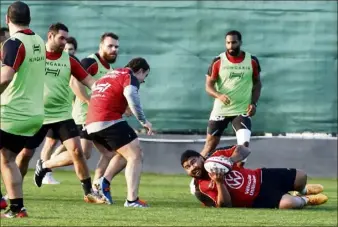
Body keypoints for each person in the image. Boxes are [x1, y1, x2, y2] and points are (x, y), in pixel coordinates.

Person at [14, 22, 105, 204]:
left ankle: (88, 192)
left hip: (62, 115)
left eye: (66, 38)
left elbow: (88, 80)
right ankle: (14, 190)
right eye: (61, 38)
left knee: (78, 152)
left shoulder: (69, 60)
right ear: (50, 36)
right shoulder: (34, 56)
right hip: (36, 113)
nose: (65, 42)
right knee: (24, 155)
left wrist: (103, 89)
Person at [86, 57, 153, 207]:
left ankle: (102, 183)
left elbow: (100, 91)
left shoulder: (111, 74)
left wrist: (122, 107)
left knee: (124, 154)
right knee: (136, 154)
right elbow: (131, 94)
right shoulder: (130, 76)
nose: (143, 81)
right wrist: (143, 121)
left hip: (91, 123)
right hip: (107, 120)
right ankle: (132, 200)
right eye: (145, 76)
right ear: (140, 71)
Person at [0, 1, 46, 218]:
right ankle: (17, 208)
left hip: (11, 113)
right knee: (7, 159)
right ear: (29, 20)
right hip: (33, 116)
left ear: (7, 19)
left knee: (7, 159)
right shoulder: (39, 41)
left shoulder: (14, 43)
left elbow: (6, 77)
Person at [181, 145, 328, 209]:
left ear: (201, 157)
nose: (192, 168)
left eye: (193, 162)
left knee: (302, 175)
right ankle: (306, 199)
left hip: (261, 176)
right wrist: (219, 183)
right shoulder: (200, 187)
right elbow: (225, 206)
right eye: (187, 167)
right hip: (257, 198)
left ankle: (302, 190)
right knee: (289, 204)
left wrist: (231, 160)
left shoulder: (216, 156)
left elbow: (244, 149)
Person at [200, 30, 262, 166]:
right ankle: (196, 178)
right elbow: (208, 86)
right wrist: (219, 95)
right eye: (228, 43)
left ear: (240, 42)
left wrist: (254, 103)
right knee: (209, 146)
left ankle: (237, 180)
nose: (231, 46)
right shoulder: (217, 61)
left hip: (242, 110)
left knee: (243, 147)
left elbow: (257, 83)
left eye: (234, 42)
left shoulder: (251, 61)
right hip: (221, 111)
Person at [40, 36, 78, 185]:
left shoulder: (72, 64)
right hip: (52, 112)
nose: (68, 51)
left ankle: (45, 167)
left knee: (69, 146)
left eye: (71, 49)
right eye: (67, 48)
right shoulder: (49, 61)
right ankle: (44, 171)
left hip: (67, 111)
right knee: (49, 143)